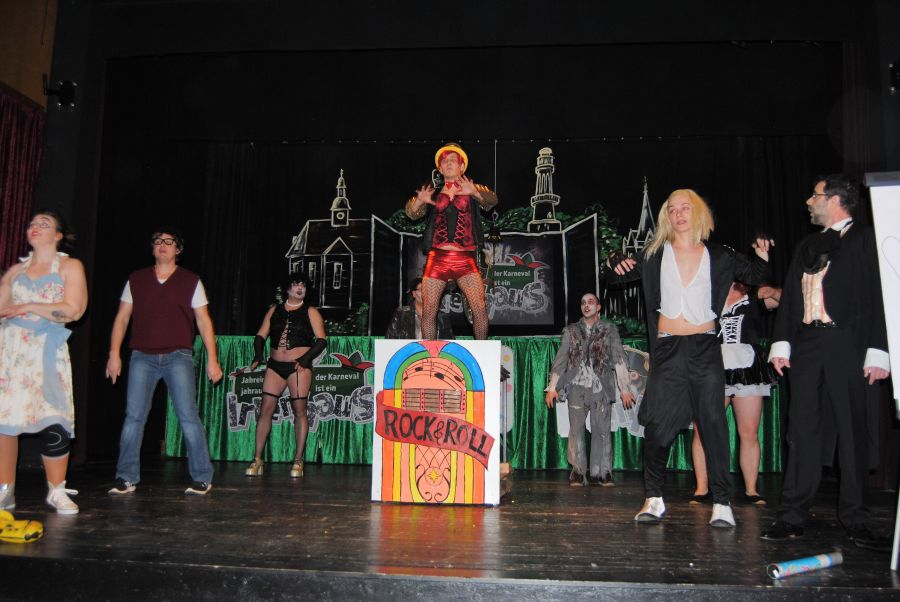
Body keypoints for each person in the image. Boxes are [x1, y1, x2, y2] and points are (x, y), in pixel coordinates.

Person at [607, 189, 772, 528]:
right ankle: (654, 498)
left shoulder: (719, 255)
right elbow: (616, 276)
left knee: (712, 423)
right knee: (658, 427)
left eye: (685, 208)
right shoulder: (654, 255)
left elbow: (756, 275)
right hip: (668, 349)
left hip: (705, 349)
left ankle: (722, 503)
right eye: (672, 209)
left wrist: (762, 255)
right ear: (666, 217)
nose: (679, 214)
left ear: (697, 213)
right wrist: (612, 260)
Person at [762, 174, 890, 551]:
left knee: (851, 430)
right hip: (808, 343)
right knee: (801, 431)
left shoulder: (866, 240)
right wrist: (782, 343)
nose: (808, 201)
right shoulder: (808, 244)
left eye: (815, 195)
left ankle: (856, 518)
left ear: (835, 200)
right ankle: (791, 516)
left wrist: (878, 349)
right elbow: (791, 297)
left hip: (847, 344)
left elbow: (880, 296)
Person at [105, 228, 223, 495]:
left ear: (177, 250)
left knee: (188, 416)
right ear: (153, 248)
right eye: (158, 241)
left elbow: (204, 321)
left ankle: (202, 476)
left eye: (169, 242)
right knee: (134, 417)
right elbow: (122, 318)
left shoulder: (191, 281)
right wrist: (114, 354)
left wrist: (212, 360)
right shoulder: (136, 279)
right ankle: (126, 477)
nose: (163, 245)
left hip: (178, 356)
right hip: (141, 357)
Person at [0, 210, 88, 514]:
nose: (35, 227)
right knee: (5, 420)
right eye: (32, 224)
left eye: (44, 224)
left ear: (58, 235)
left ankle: (56, 490)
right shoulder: (15, 271)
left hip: (47, 350)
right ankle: (5, 491)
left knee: (56, 418)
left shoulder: (70, 267)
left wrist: (28, 305)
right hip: (12, 352)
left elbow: (74, 310)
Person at [690, 282, 779, 506]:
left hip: (746, 367)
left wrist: (774, 291)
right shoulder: (708, 294)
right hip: (713, 367)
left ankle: (751, 490)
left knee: (749, 432)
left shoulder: (753, 295)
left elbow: (789, 301)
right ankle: (701, 488)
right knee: (702, 430)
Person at [405, 143, 497, 340]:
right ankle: (430, 352)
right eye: (444, 161)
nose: (448, 163)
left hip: (465, 259)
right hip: (437, 258)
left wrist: (475, 192)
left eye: (453, 160)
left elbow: (491, 202)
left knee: (479, 307)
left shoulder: (472, 188)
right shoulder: (433, 193)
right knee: (429, 309)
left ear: (462, 166)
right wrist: (419, 201)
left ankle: (482, 351)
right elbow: (411, 213)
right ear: (440, 168)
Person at [544, 293, 634, 486]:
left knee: (602, 430)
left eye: (591, 302)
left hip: (601, 387)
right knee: (576, 430)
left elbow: (618, 358)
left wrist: (625, 389)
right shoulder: (571, 331)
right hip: (576, 386)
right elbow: (561, 360)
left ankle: (603, 472)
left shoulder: (609, 330)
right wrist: (552, 388)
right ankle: (577, 472)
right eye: (583, 303)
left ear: (598, 307)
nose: (586, 305)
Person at [245, 276, 326, 478]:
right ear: (288, 288)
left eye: (303, 285)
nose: (300, 288)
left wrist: (305, 359)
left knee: (300, 411)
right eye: (296, 284)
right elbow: (260, 335)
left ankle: (298, 460)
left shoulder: (310, 311)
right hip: (275, 365)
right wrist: (258, 354)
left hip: (298, 366)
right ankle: (257, 458)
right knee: (265, 409)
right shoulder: (274, 310)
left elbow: (321, 340)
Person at [385, 277, 453, 339]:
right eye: (422, 290)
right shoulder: (402, 314)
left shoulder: (441, 316)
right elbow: (390, 338)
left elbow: (450, 343)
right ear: (414, 294)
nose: (426, 293)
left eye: (429, 290)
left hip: (433, 349)